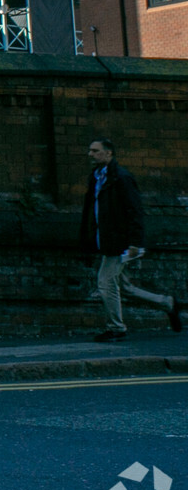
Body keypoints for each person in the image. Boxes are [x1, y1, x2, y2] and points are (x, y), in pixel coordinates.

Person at [79, 138, 182, 341]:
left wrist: (135, 242)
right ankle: (167, 303)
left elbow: (135, 212)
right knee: (123, 287)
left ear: (109, 153)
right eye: (90, 150)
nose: (90, 154)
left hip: (118, 243)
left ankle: (117, 328)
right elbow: (91, 212)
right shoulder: (97, 177)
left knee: (106, 283)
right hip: (105, 241)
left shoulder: (122, 178)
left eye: (95, 150)